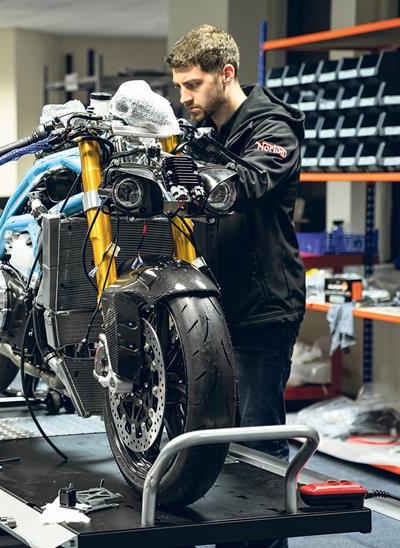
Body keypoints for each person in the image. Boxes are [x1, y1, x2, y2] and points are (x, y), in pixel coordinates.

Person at [166, 26, 306, 462]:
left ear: (226, 74)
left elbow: (247, 183)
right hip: (214, 309)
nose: (185, 97)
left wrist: (183, 176)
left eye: (193, 85)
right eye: (179, 87)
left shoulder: (274, 128)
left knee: (258, 448)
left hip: (263, 311)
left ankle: (262, 534)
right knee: (210, 446)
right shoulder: (206, 132)